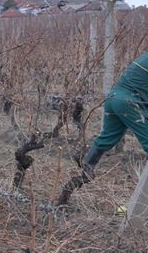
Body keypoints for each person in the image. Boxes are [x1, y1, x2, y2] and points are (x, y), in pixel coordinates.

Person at [59, 51, 148, 203]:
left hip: (113, 98)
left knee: (108, 137)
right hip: (128, 101)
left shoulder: (144, 57)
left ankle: (87, 166)